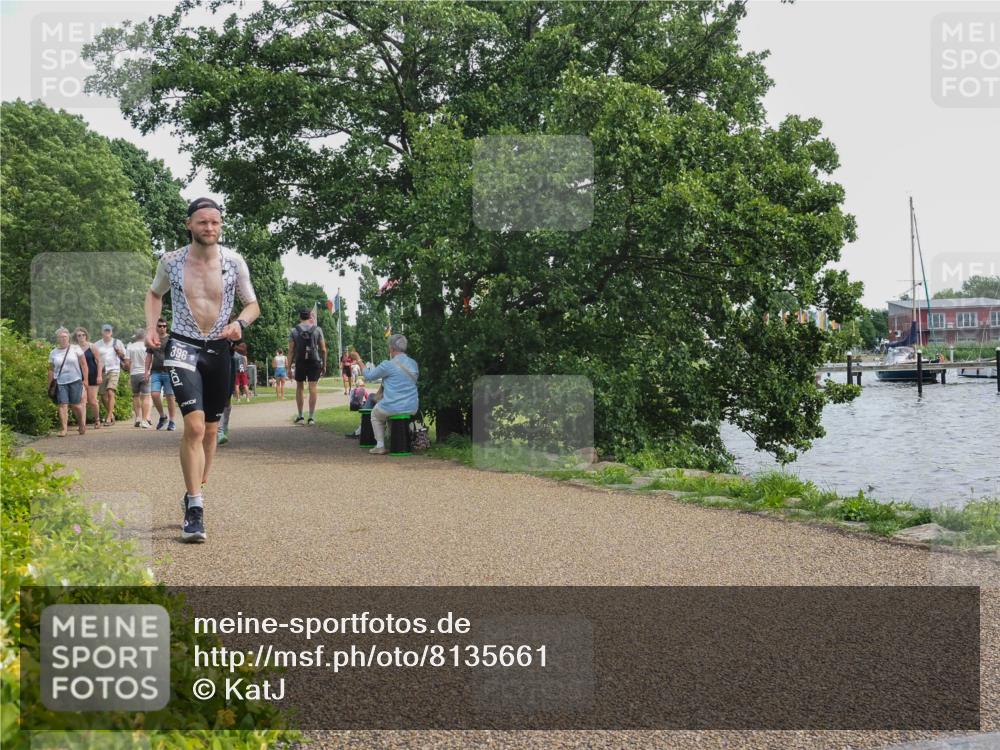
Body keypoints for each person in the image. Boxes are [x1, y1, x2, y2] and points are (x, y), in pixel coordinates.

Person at [144, 197, 259, 543]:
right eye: (203, 222)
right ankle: (195, 507)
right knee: (193, 426)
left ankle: (196, 486)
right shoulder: (171, 261)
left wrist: (240, 323)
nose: (209, 228)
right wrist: (151, 326)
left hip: (219, 349)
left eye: (215, 223)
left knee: (211, 430)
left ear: (220, 226)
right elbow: (154, 295)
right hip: (182, 345)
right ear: (189, 225)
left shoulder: (234, 262)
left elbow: (252, 304)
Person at [362, 334, 419, 455]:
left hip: (393, 406)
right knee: (389, 412)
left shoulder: (388, 364)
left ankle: (380, 446)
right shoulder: (413, 363)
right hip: (412, 406)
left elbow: (369, 377)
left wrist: (359, 362)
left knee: (375, 415)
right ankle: (396, 440)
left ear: (392, 349)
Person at [288, 309, 327, 425]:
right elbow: (323, 349)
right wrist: (324, 365)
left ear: (299, 317)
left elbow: (291, 351)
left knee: (299, 387)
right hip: (314, 361)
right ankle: (311, 417)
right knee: (313, 387)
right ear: (310, 316)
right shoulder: (317, 329)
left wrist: (288, 367)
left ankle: (300, 416)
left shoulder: (294, 331)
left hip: (300, 361)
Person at [48, 327, 88, 437]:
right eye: (60, 337)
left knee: (76, 405)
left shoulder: (76, 349)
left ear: (68, 337)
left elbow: (84, 364)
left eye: (65, 337)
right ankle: (64, 429)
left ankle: (81, 424)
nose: (63, 339)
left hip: (75, 380)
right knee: (62, 405)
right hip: (60, 382)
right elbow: (51, 369)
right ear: (57, 339)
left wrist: (86, 380)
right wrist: (50, 384)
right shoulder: (53, 353)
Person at [144, 318, 177, 430]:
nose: (162, 328)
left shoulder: (171, 339)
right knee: (154, 395)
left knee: (170, 397)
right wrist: (146, 371)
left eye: (164, 326)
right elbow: (149, 356)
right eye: (160, 326)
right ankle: (163, 416)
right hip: (156, 371)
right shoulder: (152, 339)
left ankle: (172, 421)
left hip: (169, 371)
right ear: (156, 327)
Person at [94, 323, 126, 425]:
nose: (107, 333)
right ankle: (111, 414)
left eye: (109, 331)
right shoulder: (97, 344)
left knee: (111, 392)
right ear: (102, 332)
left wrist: (119, 351)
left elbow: (124, 356)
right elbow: (95, 358)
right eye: (105, 331)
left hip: (114, 369)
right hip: (102, 370)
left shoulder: (117, 342)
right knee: (103, 395)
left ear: (111, 332)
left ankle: (108, 418)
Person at [73, 327, 103, 430]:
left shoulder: (92, 346)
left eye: (83, 335)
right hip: (79, 376)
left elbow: (99, 361)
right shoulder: (74, 348)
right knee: (82, 401)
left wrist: (99, 375)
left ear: (86, 335)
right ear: (76, 337)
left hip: (92, 375)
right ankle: (82, 424)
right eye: (79, 335)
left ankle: (97, 419)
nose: (81, 337)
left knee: (92, 400)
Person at [125, 328, 153, 428]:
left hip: (134, 374)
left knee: (136, 396)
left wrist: (130, 371)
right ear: (144, 336)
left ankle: (137, 417)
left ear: (136, 337)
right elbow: (151, 360)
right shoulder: (148, 346)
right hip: (145, 373)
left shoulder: (130, 347)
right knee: (146, 396)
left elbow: (127, 362)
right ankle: (145, 420)